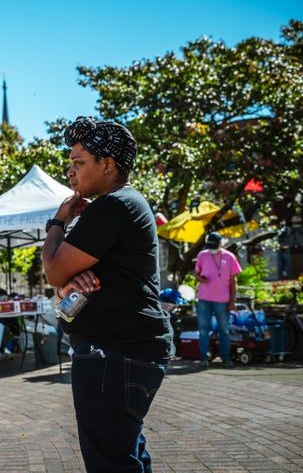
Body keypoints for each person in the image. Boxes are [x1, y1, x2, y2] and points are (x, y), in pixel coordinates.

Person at [41, 116, 175, 472]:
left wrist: (57, 221)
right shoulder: (124, 204)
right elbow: (65, 278)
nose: (70, 172)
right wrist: (67, 281)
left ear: (108, 164)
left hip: (115, 352)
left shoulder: (113, 205)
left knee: (110, 463)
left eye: (78, 163)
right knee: (126, 456)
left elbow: (54, 268)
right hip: (125, 351)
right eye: (69, 163)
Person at [194, 231, 242, 367]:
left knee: (224, 329)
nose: (212, 248)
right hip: (204, 298)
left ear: (221, 244)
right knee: (203, 329)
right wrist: (200, 279)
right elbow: (196, 273)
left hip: (222, 299)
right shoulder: (202, 255)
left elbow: (234, 281)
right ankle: (203, 358)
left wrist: (233, 302)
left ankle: (225, 357)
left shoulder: (230, 256)